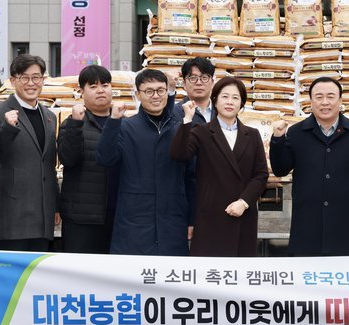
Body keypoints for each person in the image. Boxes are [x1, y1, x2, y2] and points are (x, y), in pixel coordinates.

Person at [269, 77, 349, 256]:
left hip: (344, 220)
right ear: (311, 102)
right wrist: (278, 139)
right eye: (319, 97)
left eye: (330, 97)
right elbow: (281, 170)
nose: (325, 102)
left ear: (340, 101)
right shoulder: (297, 132)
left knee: (341, 270)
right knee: (305, 270)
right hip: (306, 221)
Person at [95, 69, 193, 255]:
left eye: (160, 90)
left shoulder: (179, 128)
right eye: (149, 91)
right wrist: (113, 121)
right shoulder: (125, 127)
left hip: (172, 220)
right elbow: (105, 158)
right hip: (135, 221)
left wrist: (192, 218)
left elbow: (191, 176)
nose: (155, 96)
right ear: (138, 94)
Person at [170, 76, 270, 257]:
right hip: (211, 214)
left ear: (242, 104)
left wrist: (244, 202)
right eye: (225, 96)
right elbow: (179, 155)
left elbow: (261, 174)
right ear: (215, 100)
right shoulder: (201, 131)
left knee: (240, 269)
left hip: (243, 214)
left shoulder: (252, 135)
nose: (230, 102)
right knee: (210, 269)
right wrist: (187, 120)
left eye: (235, 98)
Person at [0, 54, 58, 252]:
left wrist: (56, 206)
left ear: (43, 80)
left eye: (36, 77)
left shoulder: (50, 116)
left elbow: (49, 165)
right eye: (24, 77)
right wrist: (8, 129)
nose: (31, 83)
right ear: (13, 80)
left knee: (38, 271)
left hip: (43, 218)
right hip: (13, 218)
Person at [58, 64, 117, 254]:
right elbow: (68, 159)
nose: (100, 90)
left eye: (105, 85)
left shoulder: (122, 123)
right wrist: (75, 124)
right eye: (93, 86)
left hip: (117, 216)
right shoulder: (72, 123)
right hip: (81, 218)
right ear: (81, 91)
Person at [180, 56, 216, 125]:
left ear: (212, 83)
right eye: (193, 78)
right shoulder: (174, 113)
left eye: (204, 77)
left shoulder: (222, 110)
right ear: (184, 84)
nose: (199, 83)